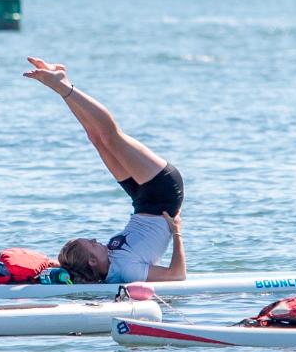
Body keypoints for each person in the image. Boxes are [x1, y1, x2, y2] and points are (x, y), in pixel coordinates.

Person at [22, 57, 185, 284]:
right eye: (90, 244)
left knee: (97, 138)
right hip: (163, 194)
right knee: (111, 136)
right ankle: (61, 86)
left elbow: (68, 270)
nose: (95, 239)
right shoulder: (128, 272)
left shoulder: (106, 262)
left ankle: (61, 84)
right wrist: (177, 232)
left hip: (140, 200)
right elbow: (177, 276)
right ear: (91, 262)